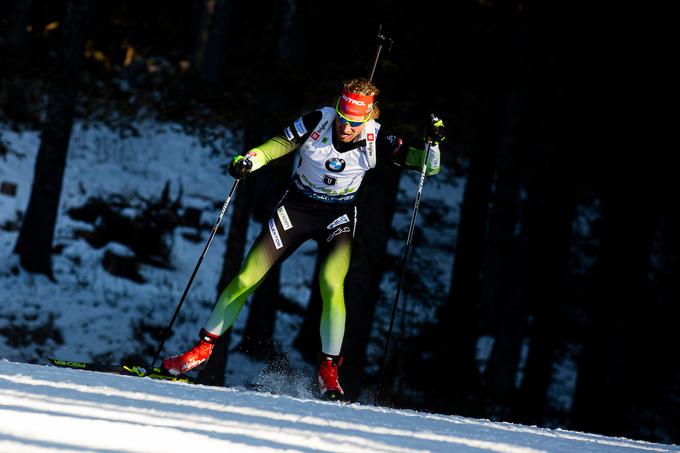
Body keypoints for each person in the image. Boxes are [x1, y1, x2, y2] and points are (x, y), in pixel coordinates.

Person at [162, 77, 445, 400]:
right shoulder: (318, 120)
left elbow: (426, 167)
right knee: (245, 278)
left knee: (331, 284)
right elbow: (277, 145)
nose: (345, 128)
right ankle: (201, 350)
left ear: (366, 118)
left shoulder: (376, 137)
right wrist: (248, 161)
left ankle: (329, 371)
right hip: (297, 207)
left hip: (337, 215)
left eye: (353, 123)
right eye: (342, 119)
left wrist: (433, 144)